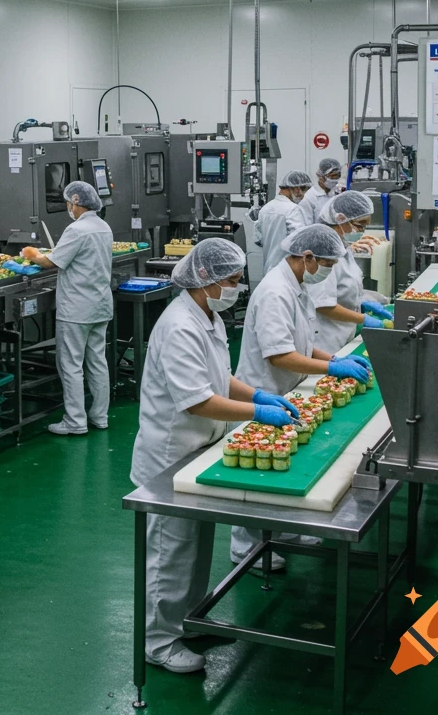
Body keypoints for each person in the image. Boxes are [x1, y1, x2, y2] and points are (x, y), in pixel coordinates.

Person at [131, 239, 298, 674]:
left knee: (196, 550)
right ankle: (158, 642)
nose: (238, 287)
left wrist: (258, 392)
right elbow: (199, 401)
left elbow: (219, 376)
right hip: (171, 452)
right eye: (232, 279)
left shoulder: (206, 314)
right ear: (204, 279)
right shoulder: (179, 326)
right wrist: (259, 413)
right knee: (170, 554)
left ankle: (184, 622)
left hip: (198, 449)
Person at [230, 223, 371, 569]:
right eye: (326, 263)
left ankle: (285, 533)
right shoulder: (275, 292)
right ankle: (245, 545)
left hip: (286, 386)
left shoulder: (297, 286)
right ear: (306, 257)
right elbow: (279, 355)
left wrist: (333, 358)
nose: (329, 271)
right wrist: (332, 370)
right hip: (265, 388)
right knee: (256, 474)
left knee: (282, 468)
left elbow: (303, 344)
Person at [22, 180, 114, 436]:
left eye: (68, 203)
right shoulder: (103, 227)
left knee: (71, 364)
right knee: (97, 362)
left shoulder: (77, 230)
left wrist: (31, 255)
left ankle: (75, 421)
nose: (68, 208)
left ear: (76, 202)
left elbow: (50, 262)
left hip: (77, 310)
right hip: (100, 305)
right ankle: (100, 416)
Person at [309, 190, 392, 354]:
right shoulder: (324, 251)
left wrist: (361, 303)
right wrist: (363, 318)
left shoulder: (341, 246)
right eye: (360, 224)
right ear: (340, 219)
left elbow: (343, 289)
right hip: (325, 340)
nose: (362, 230)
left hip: (343, 334)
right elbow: (323, 304)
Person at [254, 169, 311, 275]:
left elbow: (258, 239)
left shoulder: (266, 208)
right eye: (304, 191)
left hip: (269, 268)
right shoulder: (293, 210)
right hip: (287, 270)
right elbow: (300, 243)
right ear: (297, 189)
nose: (303, 196)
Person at [299, 157, 344, 225]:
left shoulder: (335, 194)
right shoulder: (309, 198)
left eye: (338, 176)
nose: (335, 179)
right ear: (321, 176)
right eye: (332, 176)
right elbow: (307, 226)